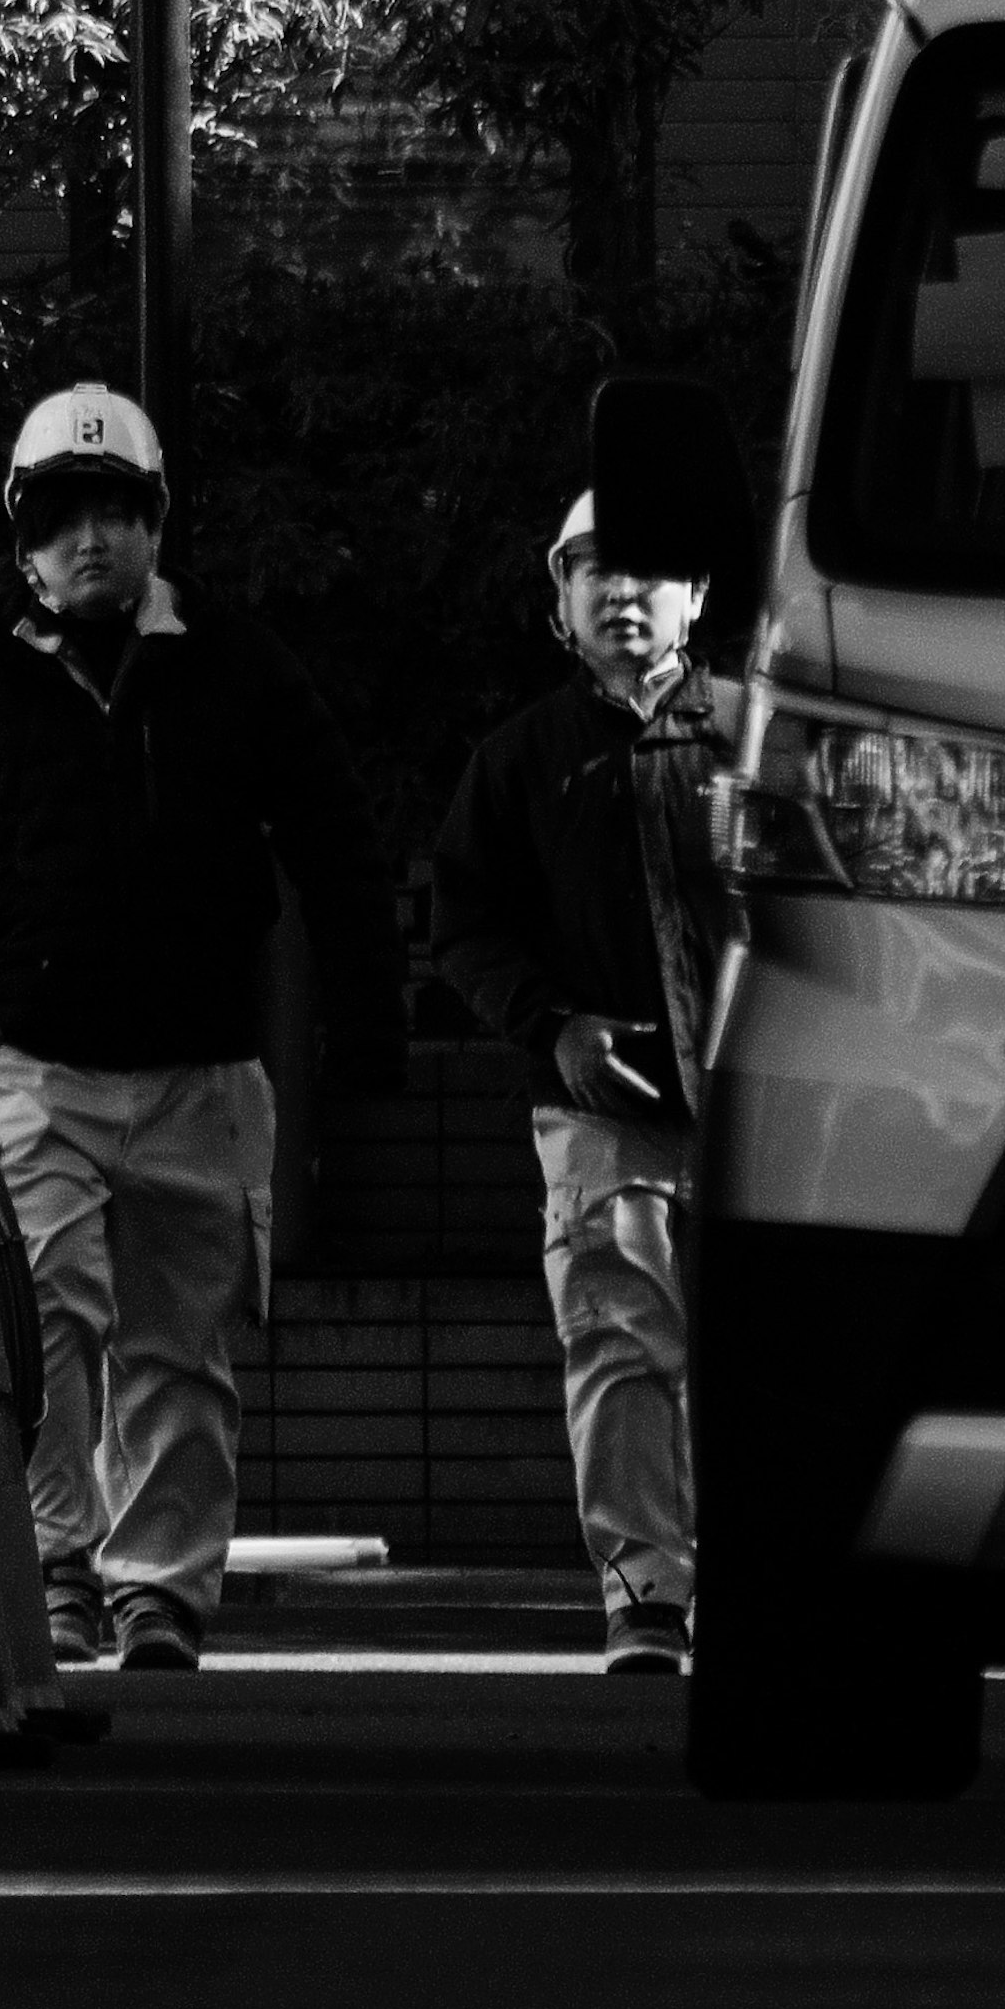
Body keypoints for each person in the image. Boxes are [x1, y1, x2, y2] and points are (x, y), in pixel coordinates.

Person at [0, 379, 408, 1675]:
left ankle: (161, 1587)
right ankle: (57, 1561)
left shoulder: (240, 660)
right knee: (42, 1317)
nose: (89, 538)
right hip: (27, 1056)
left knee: (179, 1344)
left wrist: (369, 1039)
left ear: (156, 521)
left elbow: (338, 844)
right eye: (60, 515)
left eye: (116, 510)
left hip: (204, 1064)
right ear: (20, 534)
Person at [429, 493, 715, 1675]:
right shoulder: (518, 760)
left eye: (647, 565)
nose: (618, 589)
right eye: (588, 567)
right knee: (618, 1344)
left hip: (783, 1106)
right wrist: (552, 1029)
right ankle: (646, 1590)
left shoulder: (767, 734)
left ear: (698, 595)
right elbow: (466, 927)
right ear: (559, 601)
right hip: (599, 1115)